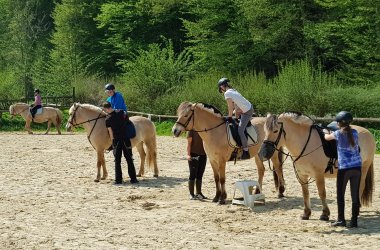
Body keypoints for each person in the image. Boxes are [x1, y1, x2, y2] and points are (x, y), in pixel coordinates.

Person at [325, 111, 362, 228]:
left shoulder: (337, 133)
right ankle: (354, 221)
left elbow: (326, 138)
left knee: (340, 195)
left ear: (339, 123)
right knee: (355, 195)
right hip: (357, 167)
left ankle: (341, 220)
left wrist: (324, 131)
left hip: (344, 169)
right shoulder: (355, 132)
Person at [102, 101, 139, 185]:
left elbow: (110, 132)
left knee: (117, 161)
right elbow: (127, 122)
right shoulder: (121, 112)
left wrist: (113, 142)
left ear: (106, 109)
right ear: (111, 106)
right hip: (126, 139)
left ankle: (118, 180)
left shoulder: (107, 119)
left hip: (117, 140)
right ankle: (133, 179)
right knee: (129, 159)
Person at [218, 77, 254, 160]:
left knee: (240, 130)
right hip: (247, 107)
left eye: (221, 88)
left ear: (222, 86)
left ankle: (246, 151)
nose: (221, 89)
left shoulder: (227, 93)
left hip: (247, 111)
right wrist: (235, 115)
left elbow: (230, 107)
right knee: (235, 118)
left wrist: (230, 117)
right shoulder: (233, 90)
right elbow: (236, 106)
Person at [187, 130, 207, 200]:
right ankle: (191, 194)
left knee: (200, 175)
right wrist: (188, 155)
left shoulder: (204, 129)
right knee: (193, 174)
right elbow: (189, 143)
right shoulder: (191, 130)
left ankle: (199, 193)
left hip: (203, 155)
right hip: (193, 154)